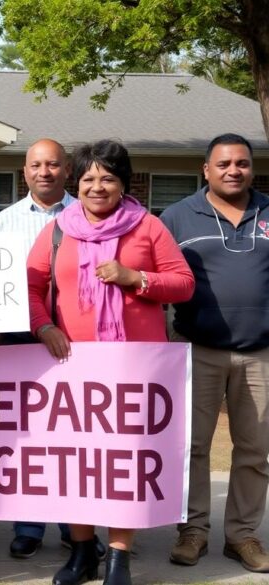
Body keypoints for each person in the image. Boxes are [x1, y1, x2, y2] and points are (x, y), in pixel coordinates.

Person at [27, 140, 194, 585]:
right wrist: (44, 326)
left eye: (108, 178)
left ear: (123, 184)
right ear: (74, 184)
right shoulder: (57, 230)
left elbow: (183, 284)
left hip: (135, 366)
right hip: (71, 366)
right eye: (88, 179)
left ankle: (119, 557)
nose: (97, 186)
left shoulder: (149, 227)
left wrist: (134, 278)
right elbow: (27, 286)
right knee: (77, 462)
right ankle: (82, 552)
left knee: (126, 461)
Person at [161, 133, 269, 573]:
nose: (233, 170)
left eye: (241, 163)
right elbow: (159, 280)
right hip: (196, 349)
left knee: (255, 450)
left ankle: (242, 535)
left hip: (261, 353)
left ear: (251, 169)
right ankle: (194, 530)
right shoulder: (176, 217)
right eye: (223, 163)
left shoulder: (268, 211)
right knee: (194, 447)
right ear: (205, 169)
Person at [0, 138, 79, 559]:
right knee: (28, 439)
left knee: (75, 437)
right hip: (19, 340)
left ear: (67, 170)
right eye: (36, 165)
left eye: (53, 165)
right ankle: (28, 526)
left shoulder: (87, 215)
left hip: (79, 341)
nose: (45, 172)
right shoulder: (2, 223)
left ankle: (76, 525)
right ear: (25, 171)